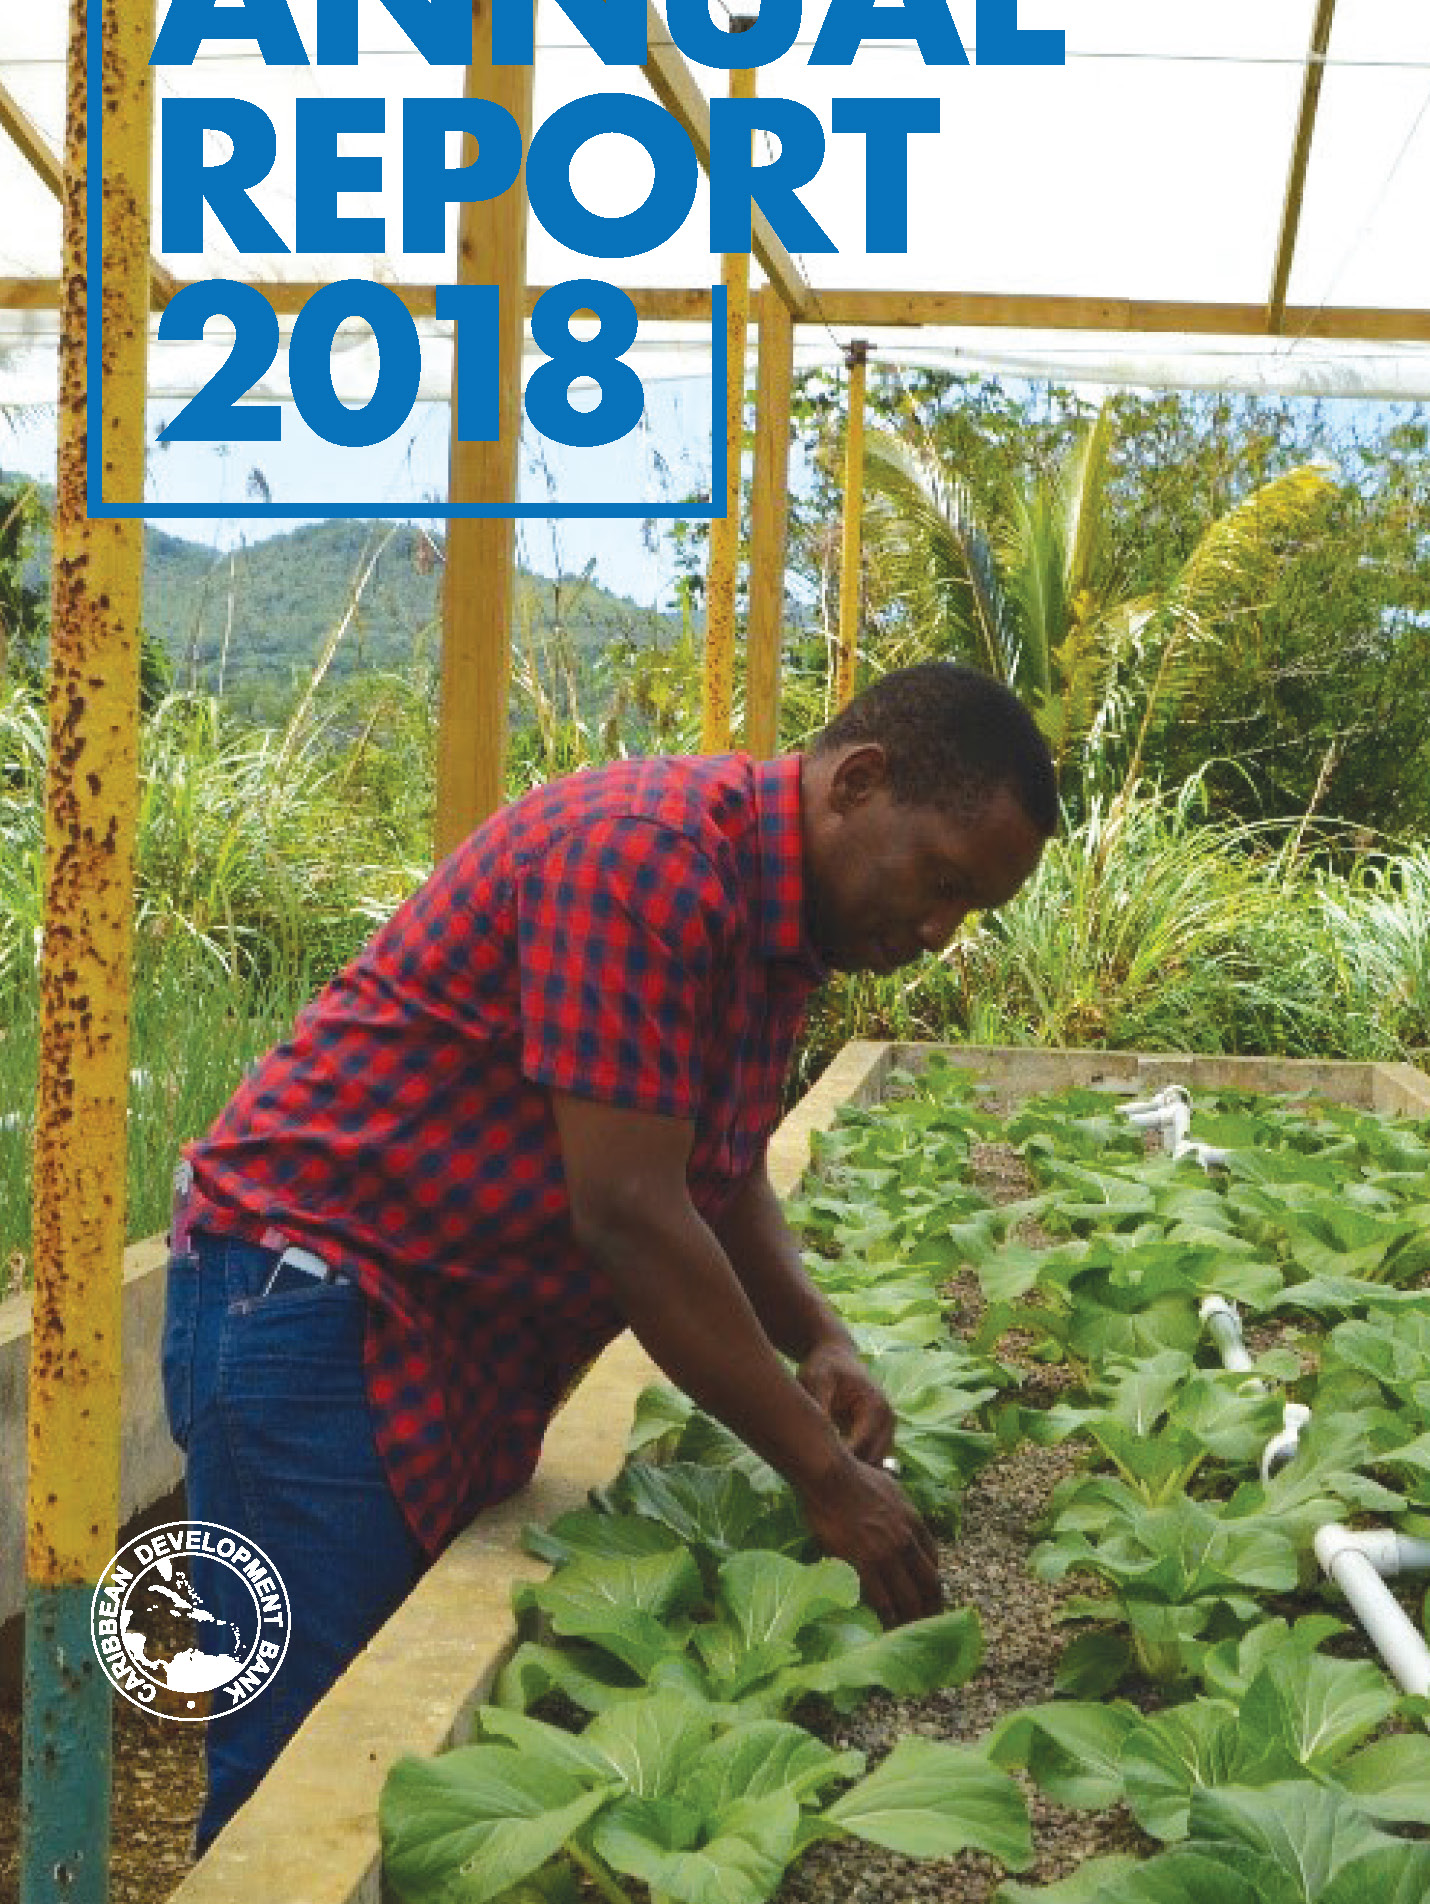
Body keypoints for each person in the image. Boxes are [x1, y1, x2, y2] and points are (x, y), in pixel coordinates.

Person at [161, 660, 1057, 1850]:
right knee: (302, 1787)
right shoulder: (643, 860)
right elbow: (630, 1212)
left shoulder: (782, 921)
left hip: (435, 1320)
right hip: (311, 1302)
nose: (939, 929)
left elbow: (715, 1167)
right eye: (941, 880)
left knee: (396, 1760)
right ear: (859, 780)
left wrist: (819, 1336)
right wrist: (823, 1478)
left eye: (970, 909)